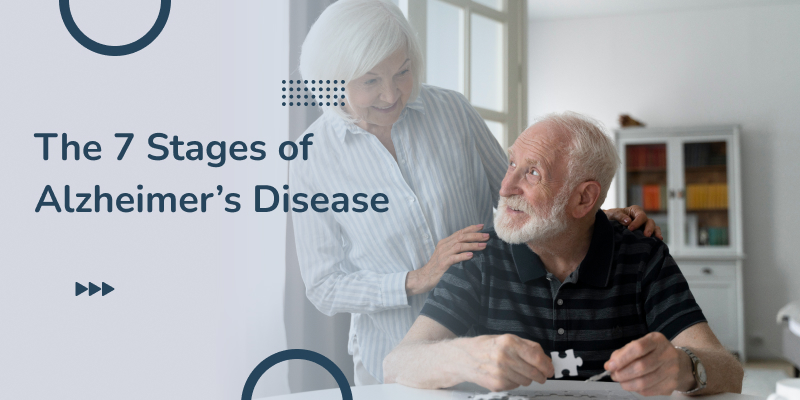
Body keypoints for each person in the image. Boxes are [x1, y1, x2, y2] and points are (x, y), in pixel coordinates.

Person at [291, 0, 661, 385]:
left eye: (402, 72)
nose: (391, 94)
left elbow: (520, 195)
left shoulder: (451, 111)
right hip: (390, 357)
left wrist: (590, 218)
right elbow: (324, 286)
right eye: (370, 81)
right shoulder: (311, 158)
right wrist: (416, 278)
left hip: (488, 348)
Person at [383, 112, 744, 396]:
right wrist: (466, 358)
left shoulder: (642, 254)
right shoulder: (480, 253)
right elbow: (397, 363)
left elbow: (729, 372)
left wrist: (682, 367)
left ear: (584, 198)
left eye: (533, 172)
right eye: (512, 164)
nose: (506, 187)